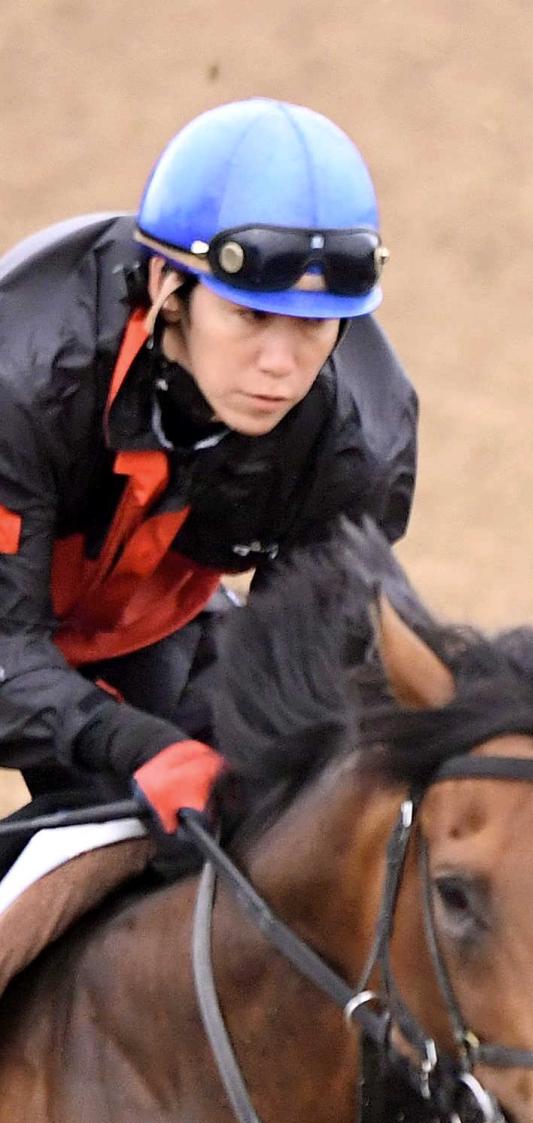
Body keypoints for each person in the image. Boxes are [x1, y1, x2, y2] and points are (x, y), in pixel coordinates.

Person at [0, 98, 416, 847]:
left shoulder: (359, 440)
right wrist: (139, 748)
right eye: (250, 316)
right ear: (166, 287)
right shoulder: (18, 374)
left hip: (136, 629)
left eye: (313, 325)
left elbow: (303, 675)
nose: (280, 367)